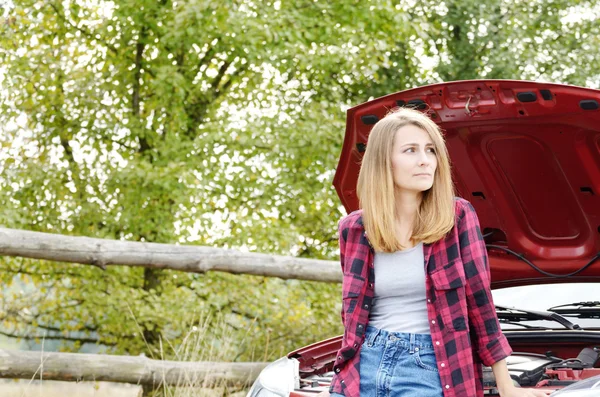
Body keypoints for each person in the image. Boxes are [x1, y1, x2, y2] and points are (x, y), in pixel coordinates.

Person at [318, 108, 551, 397]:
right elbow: (352, 316)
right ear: (383, 162)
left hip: (429, 365)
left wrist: (506, 384)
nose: (425, 161)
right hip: (362, 366)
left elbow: (479, 302)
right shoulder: (353, 229)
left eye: (431, 150)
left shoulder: (457, 217)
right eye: (410, 150)